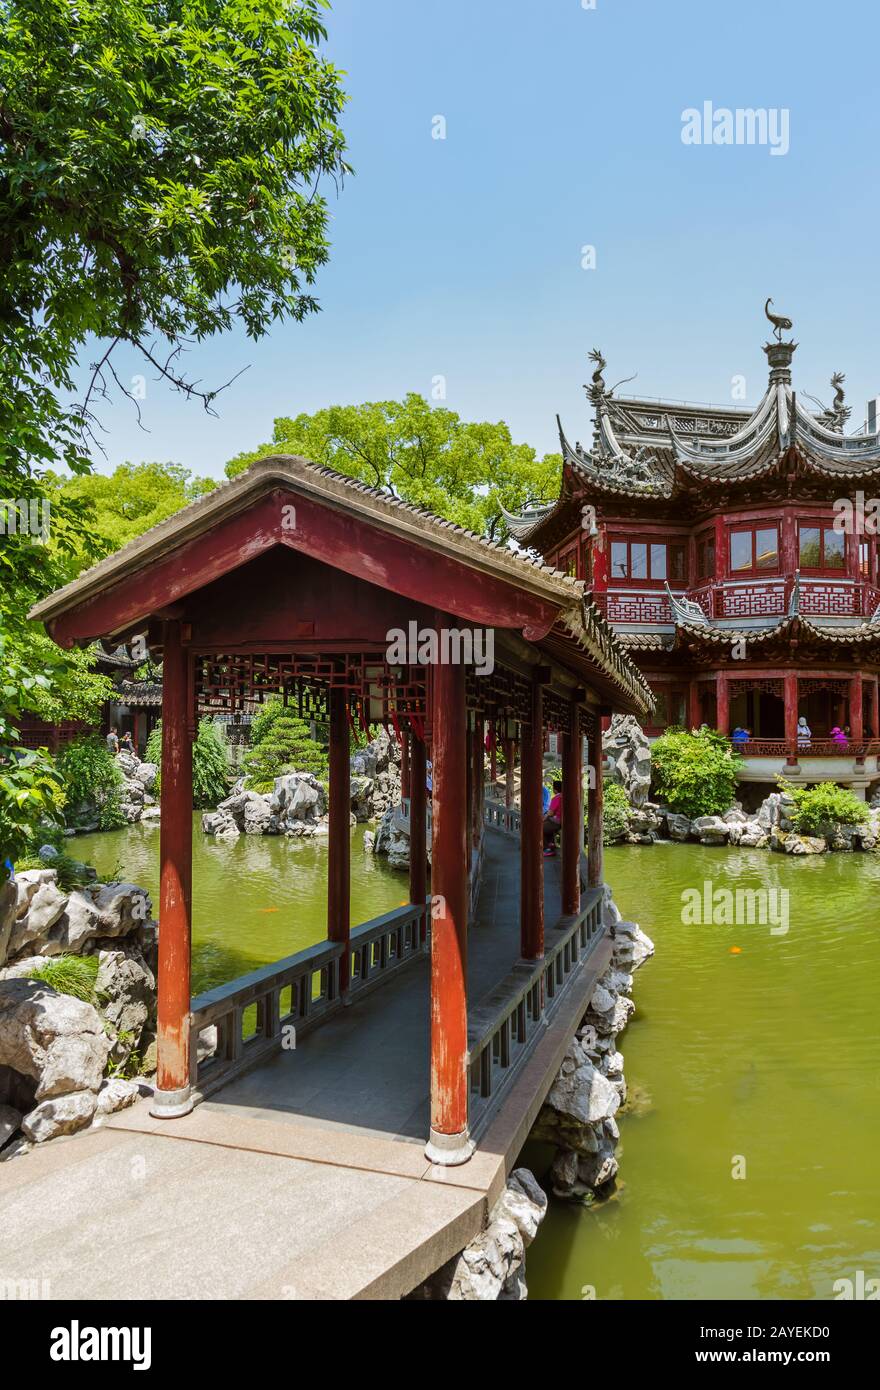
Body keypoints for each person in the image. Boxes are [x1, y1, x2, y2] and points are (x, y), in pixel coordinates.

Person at [543, 779, 563, 856]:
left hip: (557, 821)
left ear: (555, 789)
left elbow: (550, 813)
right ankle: (551, 844)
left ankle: (547, 848)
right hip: (561, 820)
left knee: (539, 828)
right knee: (547, 825)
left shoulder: (556, 798)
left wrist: (544, 818)